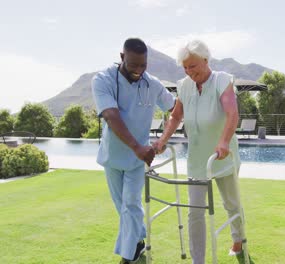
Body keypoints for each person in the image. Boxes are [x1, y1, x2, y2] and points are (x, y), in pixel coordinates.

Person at [153, 40, 248, 264]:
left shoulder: (221, 80)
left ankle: (239, 240)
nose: (189, 71)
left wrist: (224, 141)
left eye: (192, 66)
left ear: (206, 60)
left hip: (222, 155)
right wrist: (163, 141)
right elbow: (176, 116)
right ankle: (198, 261)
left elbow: (232, 112)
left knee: (231, 204)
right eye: (185, 67)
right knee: (194, 212)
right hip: (197, 159)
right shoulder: (184, 85)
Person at [91, 38, 175, 264]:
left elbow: (175, 108)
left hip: (139, 159)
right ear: (122, 57)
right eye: (133, 65)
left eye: (143, 65)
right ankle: (138, 241)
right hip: (113, 156)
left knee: (130, 203)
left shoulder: (153, 84)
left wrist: (164, 138)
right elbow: (111, 115)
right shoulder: (103, 79)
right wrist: (136, 146)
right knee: (123, 207)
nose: (138, 70)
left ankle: (128, 257)